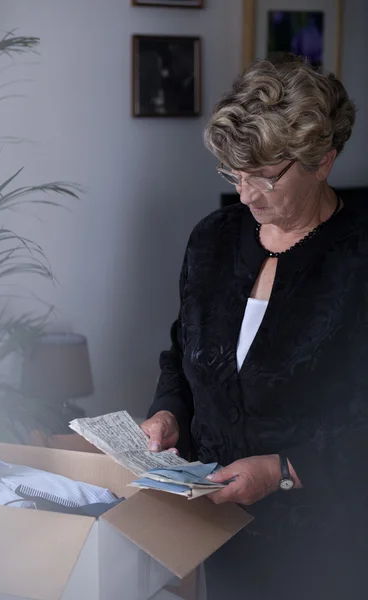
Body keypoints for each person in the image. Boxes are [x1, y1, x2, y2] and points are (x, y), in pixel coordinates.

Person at [141, 54, 368, 599]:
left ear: (323, 160)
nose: (246, 195)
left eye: (264, 177)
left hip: (330, 546)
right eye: (234, 175)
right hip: (218, 537)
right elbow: (181, 351)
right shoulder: (213, 239)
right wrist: (170, 412)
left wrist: (285, 469)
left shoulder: (358, 259)